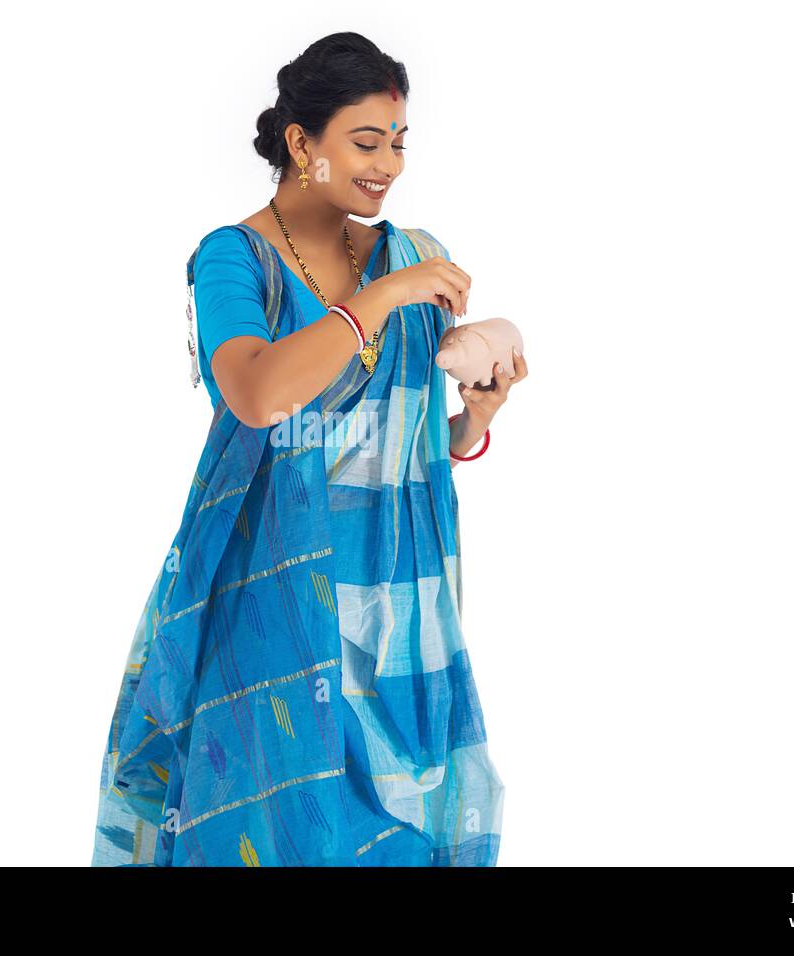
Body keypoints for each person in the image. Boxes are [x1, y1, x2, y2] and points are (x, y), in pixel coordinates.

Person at [91, 31, 526, 867]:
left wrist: (471, 420)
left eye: (398, 143)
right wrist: (382, 299)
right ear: (302, 143)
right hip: (270, 597)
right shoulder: (237, 257)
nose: (388, 165)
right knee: (269, 827)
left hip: (396, 601)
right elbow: (258, 395)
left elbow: (379, 444)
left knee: (401, 829)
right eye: (365, 142)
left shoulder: (415, 253)